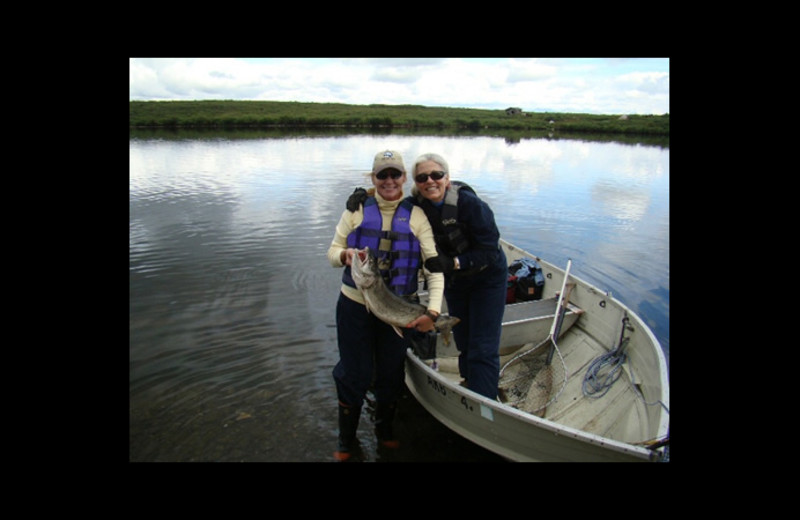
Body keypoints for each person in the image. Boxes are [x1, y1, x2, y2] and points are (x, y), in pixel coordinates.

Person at [327, 150, 445, 462]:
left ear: (405, 179)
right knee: (355, 373)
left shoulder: (417, 215)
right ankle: (346, 439)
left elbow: (434, 268)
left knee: (392, 375)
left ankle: (385, 431)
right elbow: (333, 250)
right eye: (382, 175)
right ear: (373, 178)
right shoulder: (356, 210)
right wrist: (345, 256)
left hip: (400, 308)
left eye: (395, 174)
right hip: (355, 306)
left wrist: (433, 312)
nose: (389, 180)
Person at [409, 153, 507, 400]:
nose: (430, 181)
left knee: (483, 346)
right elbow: (385, 202)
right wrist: (363, 199)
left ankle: (486, 403)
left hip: (487, 278)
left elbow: (489, 251)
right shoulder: (416, 205)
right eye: (422, 177)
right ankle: (471, 383)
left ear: (447, 179)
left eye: (436, 175)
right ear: (416, 183)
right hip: (456, 281)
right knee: (462, 338)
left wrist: (453, 262)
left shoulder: (472, 206)